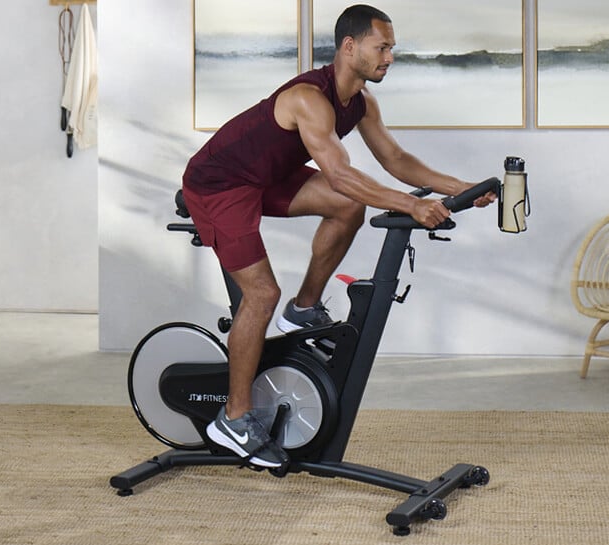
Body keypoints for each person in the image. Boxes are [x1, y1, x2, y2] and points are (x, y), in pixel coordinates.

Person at [181, 4, 495, 468]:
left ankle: (304, 309)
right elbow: (341, 174)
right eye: (381, 47)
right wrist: (410, 204)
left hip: (267, 178)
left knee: (347, 207)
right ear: (350, 47)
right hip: (219, 184)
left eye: (392, 48)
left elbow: (397, 159)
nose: (389, 57)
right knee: (262, 294)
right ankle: (233, 417)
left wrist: (463, 189)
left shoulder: (362, 101)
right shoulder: (310, 97)